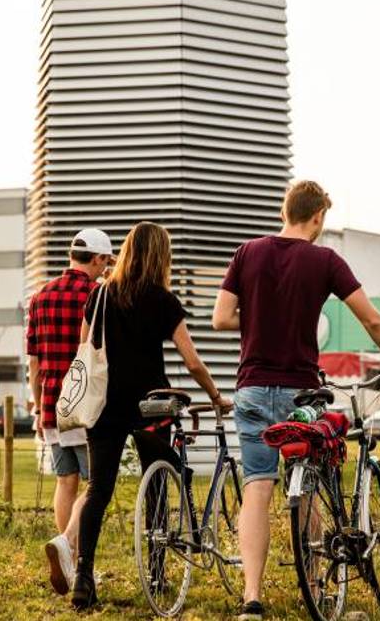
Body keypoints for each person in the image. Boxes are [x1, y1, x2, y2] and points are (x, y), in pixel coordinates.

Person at [212, 179, 380, 621]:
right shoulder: (325, 260)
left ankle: (252, 597)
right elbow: (372, 320)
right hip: (300, 394)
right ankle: (315, 588)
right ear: (318, 218)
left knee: (257, 487)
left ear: (282, 211)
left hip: (251, 389)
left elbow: (220, 318)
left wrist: (260, 321)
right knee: (308, 481)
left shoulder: (246, 253)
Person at [70, 221, 230, 609]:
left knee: (98, 491)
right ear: (162, 256)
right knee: (158, 481)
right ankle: (156, 572)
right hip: (150, 405)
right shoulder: (162, 300)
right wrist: (216, 395)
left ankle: (84, 577)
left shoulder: (101, 294)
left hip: (104, 404)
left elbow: (84, 347)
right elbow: (191, 361)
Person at [26, 229, 113, 596]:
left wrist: (36, 405)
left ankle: (67, 553)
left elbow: (34, 362)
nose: (107, 268)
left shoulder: (39, 296)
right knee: (96, 486)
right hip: (87, 406)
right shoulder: (98, 296)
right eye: (106, 261)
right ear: (95, 259)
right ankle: (69, 549)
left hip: (50, 405)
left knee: (66, 482)